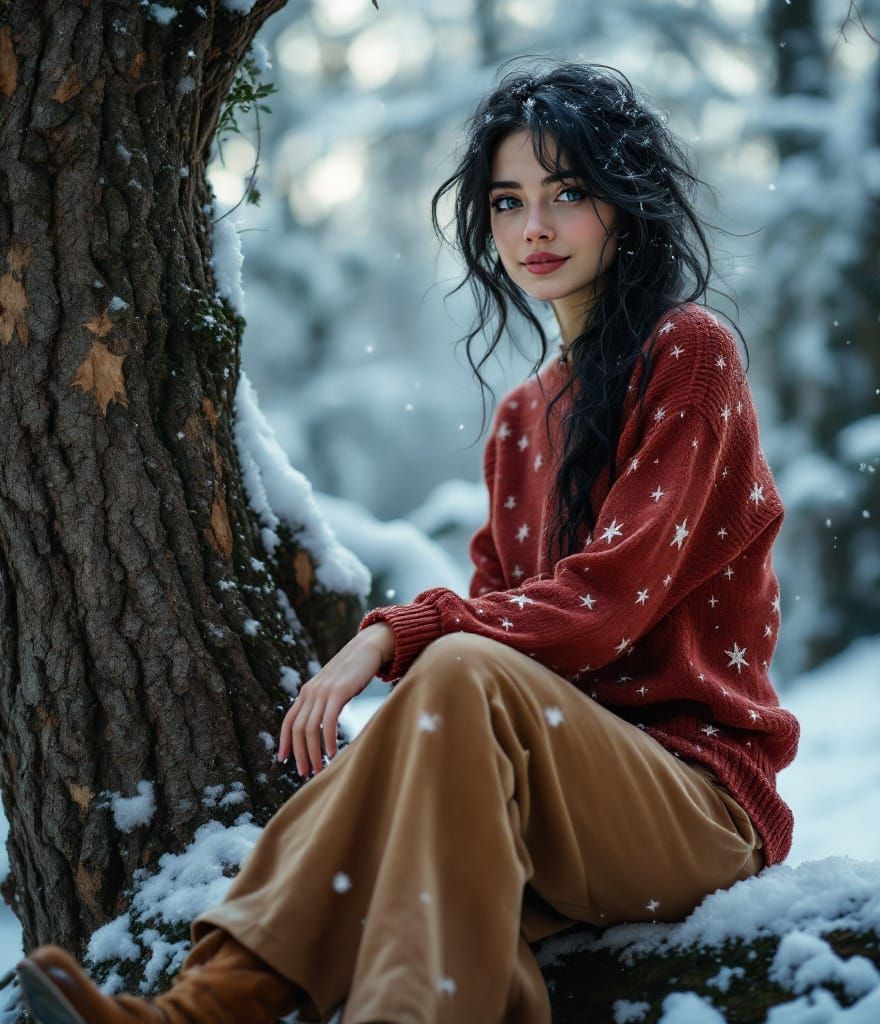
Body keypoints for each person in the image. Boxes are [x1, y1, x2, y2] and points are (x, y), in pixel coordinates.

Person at [16, 56, 800, 1024]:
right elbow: (499, 648)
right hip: (540, 803)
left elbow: (604, 604)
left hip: (692, 802)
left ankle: (212, 1008)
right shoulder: (521, 420)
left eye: (567, 193)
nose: (535, 229)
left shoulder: (689, 353)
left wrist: (390, 633)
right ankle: (208, 1002)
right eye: (507, 203)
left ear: (625, 203)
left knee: (457, 668)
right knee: (444, 740)